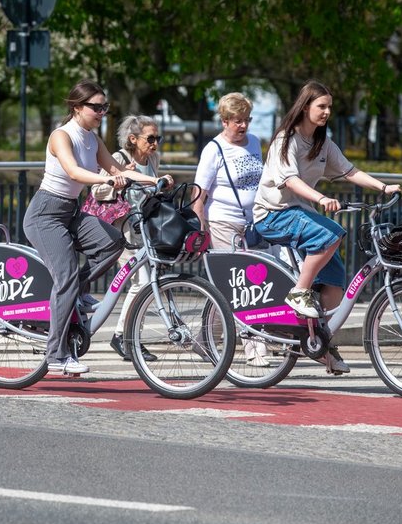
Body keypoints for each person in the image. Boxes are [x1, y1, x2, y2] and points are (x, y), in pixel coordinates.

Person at [252, 80, 401, 374]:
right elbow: (290, 181)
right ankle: (299, 292)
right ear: (305, 106)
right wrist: (321, 197)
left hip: (300, 213)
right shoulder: (286, 140)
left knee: (335, 279)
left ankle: (319, 341)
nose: (327, 112)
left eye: (330, 107)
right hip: (273, 213)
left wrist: (383, 188)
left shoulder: (323, 143)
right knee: (332, 233)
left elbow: (349, 170)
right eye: (322, 106)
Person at [23, 80, 164, 376]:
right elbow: (74, 171)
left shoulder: (93, 138)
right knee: (66, 277)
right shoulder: (62, 136)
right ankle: (56, 355)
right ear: (77, 108)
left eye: (105, 107)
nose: (102, 112)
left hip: (71, 212)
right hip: (46, 214)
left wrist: (155, 181)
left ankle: (79, 289)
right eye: (96, 107)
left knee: (112, 243)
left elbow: (120, 170)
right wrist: (105, 180)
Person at [193, 92, 270, 367]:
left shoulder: (255, 144)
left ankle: (205, 339)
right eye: (237, 121)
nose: (243, 126)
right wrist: (201, 227)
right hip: (222, 221)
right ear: (225, 121)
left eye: (247, 120)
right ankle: (255, 349)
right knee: (241, 284)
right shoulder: (214, 149)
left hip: (251, 223)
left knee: (250, 284)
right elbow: (199, 193)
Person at [89, 114, 173, 362]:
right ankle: (126, 338)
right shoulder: (118, 158)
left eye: (158, 138)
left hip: (142, 231)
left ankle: (126, 337)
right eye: (151, 138)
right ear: (133, 139)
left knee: (144, 283)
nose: (155, 143)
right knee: (142, 282)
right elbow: (97, 189)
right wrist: (118, 179)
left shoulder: (152, 159)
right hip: (120, 231)